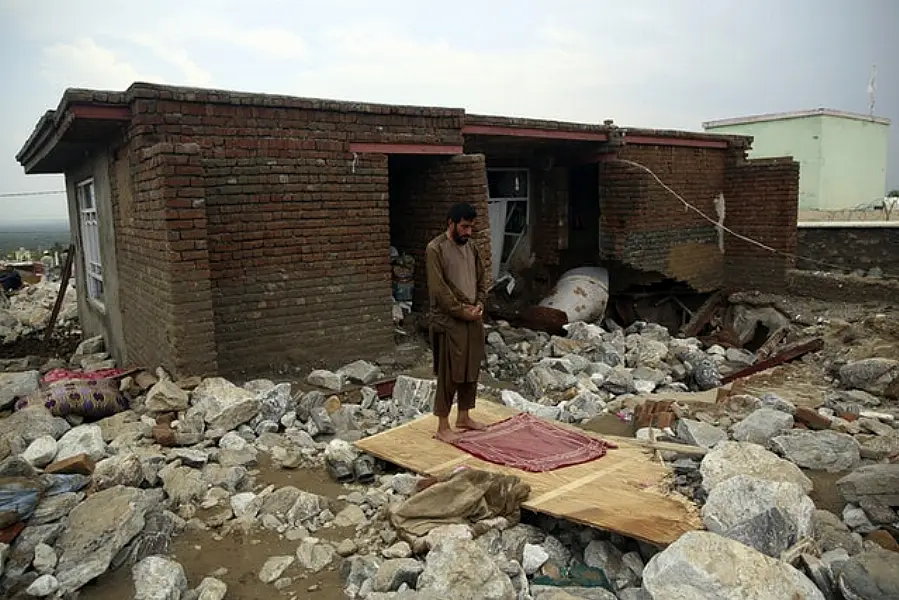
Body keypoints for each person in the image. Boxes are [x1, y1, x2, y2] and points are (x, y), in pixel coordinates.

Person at [426, 202, 489, 442]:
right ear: (451, 223)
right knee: (449, 372)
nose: (468, 232)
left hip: (472, 317)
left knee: (471, 369)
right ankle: (443, 426)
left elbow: (482, 280)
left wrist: (480, 304)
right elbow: (439, 290)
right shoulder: (435, 249)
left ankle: (464, 416)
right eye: (464, 227)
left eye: (471, 227)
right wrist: (462, 311)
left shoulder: (471, 247)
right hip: (448, 321)